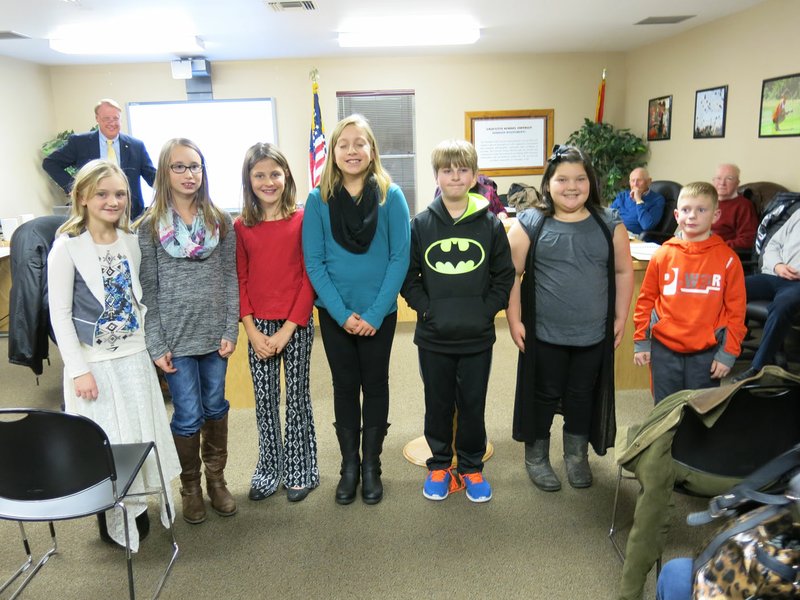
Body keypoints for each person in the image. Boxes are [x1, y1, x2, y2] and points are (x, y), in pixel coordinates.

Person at [47, 159, 180, 550]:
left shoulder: (131, 241)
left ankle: (139, 505)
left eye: (120, 193)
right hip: (95, 366)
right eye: (103, 193)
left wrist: (151, 352)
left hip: (133, 358)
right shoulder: (67, 248)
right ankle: (113, 517)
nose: (113, 201)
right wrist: (77, 370)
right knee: (109, 441)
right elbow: (60, 315)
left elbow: (138, 302)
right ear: (83, 197)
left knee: (139, 433)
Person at [508, 145, 634, 491]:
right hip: (544, 334)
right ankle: (536, 458)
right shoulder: (531, 222)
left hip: (592, 334)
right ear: (548, 183)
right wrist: (514, 319)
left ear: (590, 182)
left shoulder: (609, 223)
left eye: (580, 178)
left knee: (582, 395)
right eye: (562, 179)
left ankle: (576, 457)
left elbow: (624, 272)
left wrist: (621, 316)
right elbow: (510, 275)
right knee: (543, 396)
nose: (572, 186)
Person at [302, 114, 410, 505]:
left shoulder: (390, 196)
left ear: (371, 150)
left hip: (379, 314)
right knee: (344, 387)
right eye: (343, 144)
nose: (351, 151)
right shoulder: (318, 200)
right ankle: (350, 465)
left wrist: (376, 312)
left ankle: (371, 467)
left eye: (359, 143)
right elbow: (314, 263)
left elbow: (400, 257)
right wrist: (341, 313)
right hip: (335, 315)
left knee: (375, 384)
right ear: (332, 152)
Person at [402, 140, 514, 503]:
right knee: (437, 402)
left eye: (462, 169)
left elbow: (504, 275)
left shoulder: (491, 226)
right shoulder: (420, 224)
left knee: (472, 402)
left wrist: (486, 310)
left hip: (477, 335)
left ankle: (470, 466)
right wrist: (427, 309)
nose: (455, 176)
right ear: (437, 176)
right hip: (434, 336)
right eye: (447, 170)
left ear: (473, 176)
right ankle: (439, 464)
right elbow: (410, 277)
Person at [136, 138, 239, 524]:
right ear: (165, 172)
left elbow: (231, 278)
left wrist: (231, 327)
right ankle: (191, 487)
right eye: (179, 167)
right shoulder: (149, 227)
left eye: (195, 166)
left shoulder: (219, 221)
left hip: (215, 337)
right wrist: (156, 342)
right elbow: (147, 290)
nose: (189, 174)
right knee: (187, 415)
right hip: (175, 341)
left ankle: (216, 481)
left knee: (215, 408)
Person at [235, 142, 318, 503]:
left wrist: (287, 329)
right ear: (249, 180)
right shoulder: (241, 226)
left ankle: (303, 467)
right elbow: (240, 280)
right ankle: (270, 467)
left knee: (296, 398)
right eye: (259, 175)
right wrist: (252, 331)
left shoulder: (303, 220)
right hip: (258, 328)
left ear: (286, 177)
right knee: (265, 400)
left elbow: (308, 276)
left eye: (274, 174)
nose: (268, 182)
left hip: (295, 325)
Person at [633, 182, 747, 402]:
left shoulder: (728, 259)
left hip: (707, 349)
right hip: (664, 347)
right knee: (666, 409)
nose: (692, 216)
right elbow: (646, 300)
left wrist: (728, 354)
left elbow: (736, 311)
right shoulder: (663, 254)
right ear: (677, 215)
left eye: (701, 210)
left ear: (716, 215)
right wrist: (641, 341)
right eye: (686, 210)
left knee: (701, 410)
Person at [42, 99, 156, 220]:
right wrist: (75, 188)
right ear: (97, 118)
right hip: (92, 216)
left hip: (130, 215)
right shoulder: (80, 143)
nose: (112, 123)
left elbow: (151, 176)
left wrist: (173, 179)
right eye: (107, 118)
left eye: (116, 118)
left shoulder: (136, 146)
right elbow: (50, 163)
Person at [732, 207, 800, 381]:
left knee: (781, 307)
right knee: (728, 290)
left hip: (797, 284)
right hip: (774, 274)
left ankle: (757, 368)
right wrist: (777, 265)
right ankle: (711, 350)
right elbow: (773, 244)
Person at [710, 163, 759, 252]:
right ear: (713, 181)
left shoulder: (744, 206)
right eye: (718, 178)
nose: (722, 183)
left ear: (737, 183)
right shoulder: (705, 202)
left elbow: (748, 240)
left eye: (729, 179)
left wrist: (719, 247)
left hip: (721, 254)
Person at [610, 167, 665, 235]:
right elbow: (608, 217)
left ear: (649, 181)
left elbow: (647, 225)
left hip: (636, 239)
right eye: (633, 181)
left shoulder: (657, 200)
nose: (635, 184)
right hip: (616, 234)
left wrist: (638, 200)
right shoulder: (622, 196)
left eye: (639, 180)